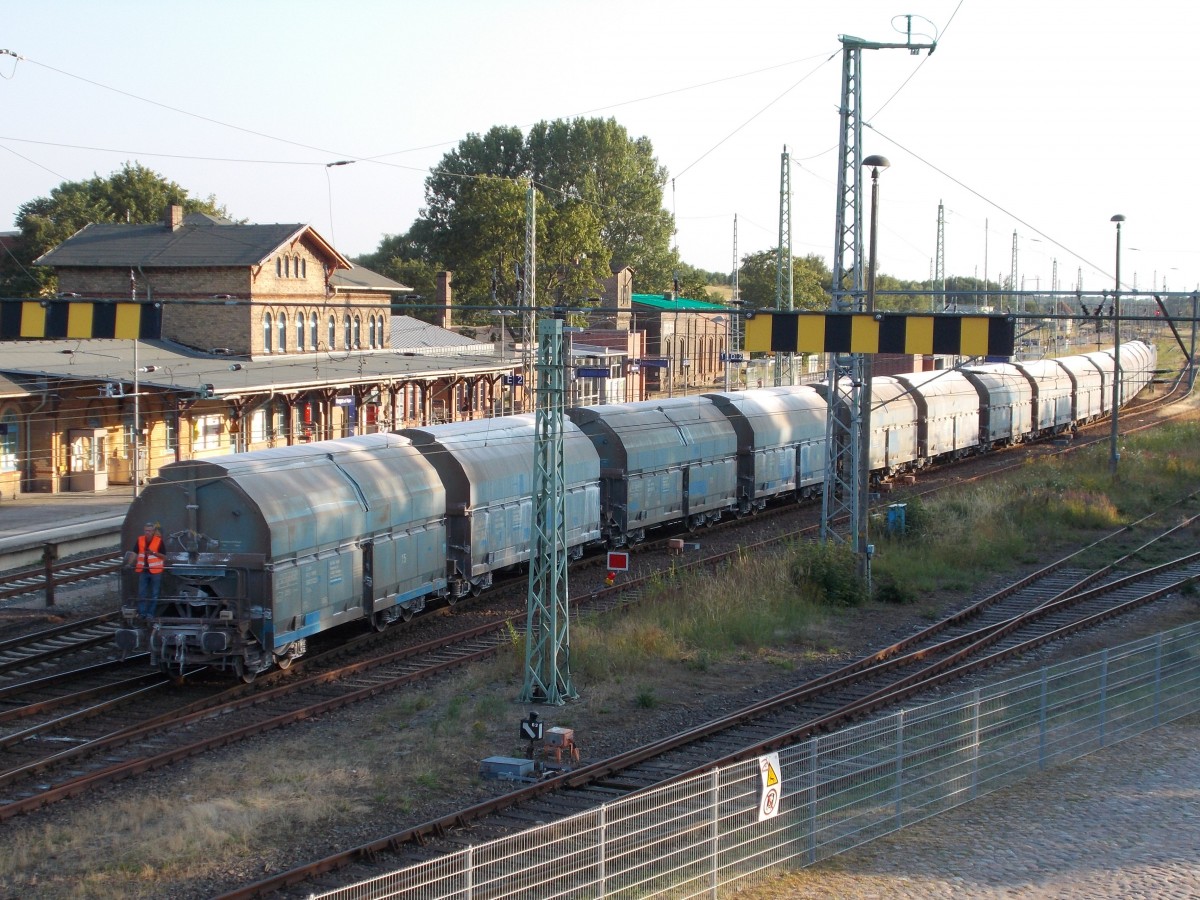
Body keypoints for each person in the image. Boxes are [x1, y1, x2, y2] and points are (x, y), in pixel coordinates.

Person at [129, 522, 164, 614]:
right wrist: (129, 564)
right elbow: (134, 553)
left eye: (149, 531)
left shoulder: (158, 541)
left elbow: (164, 556)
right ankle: (142, 613)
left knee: (154, 594)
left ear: (153, 531)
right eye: (146, 531)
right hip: (143, 570)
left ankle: (150, 614)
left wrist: (153, 553)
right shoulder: (140, 540)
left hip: (156, 572)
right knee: (141, 593)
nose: (147, 532)